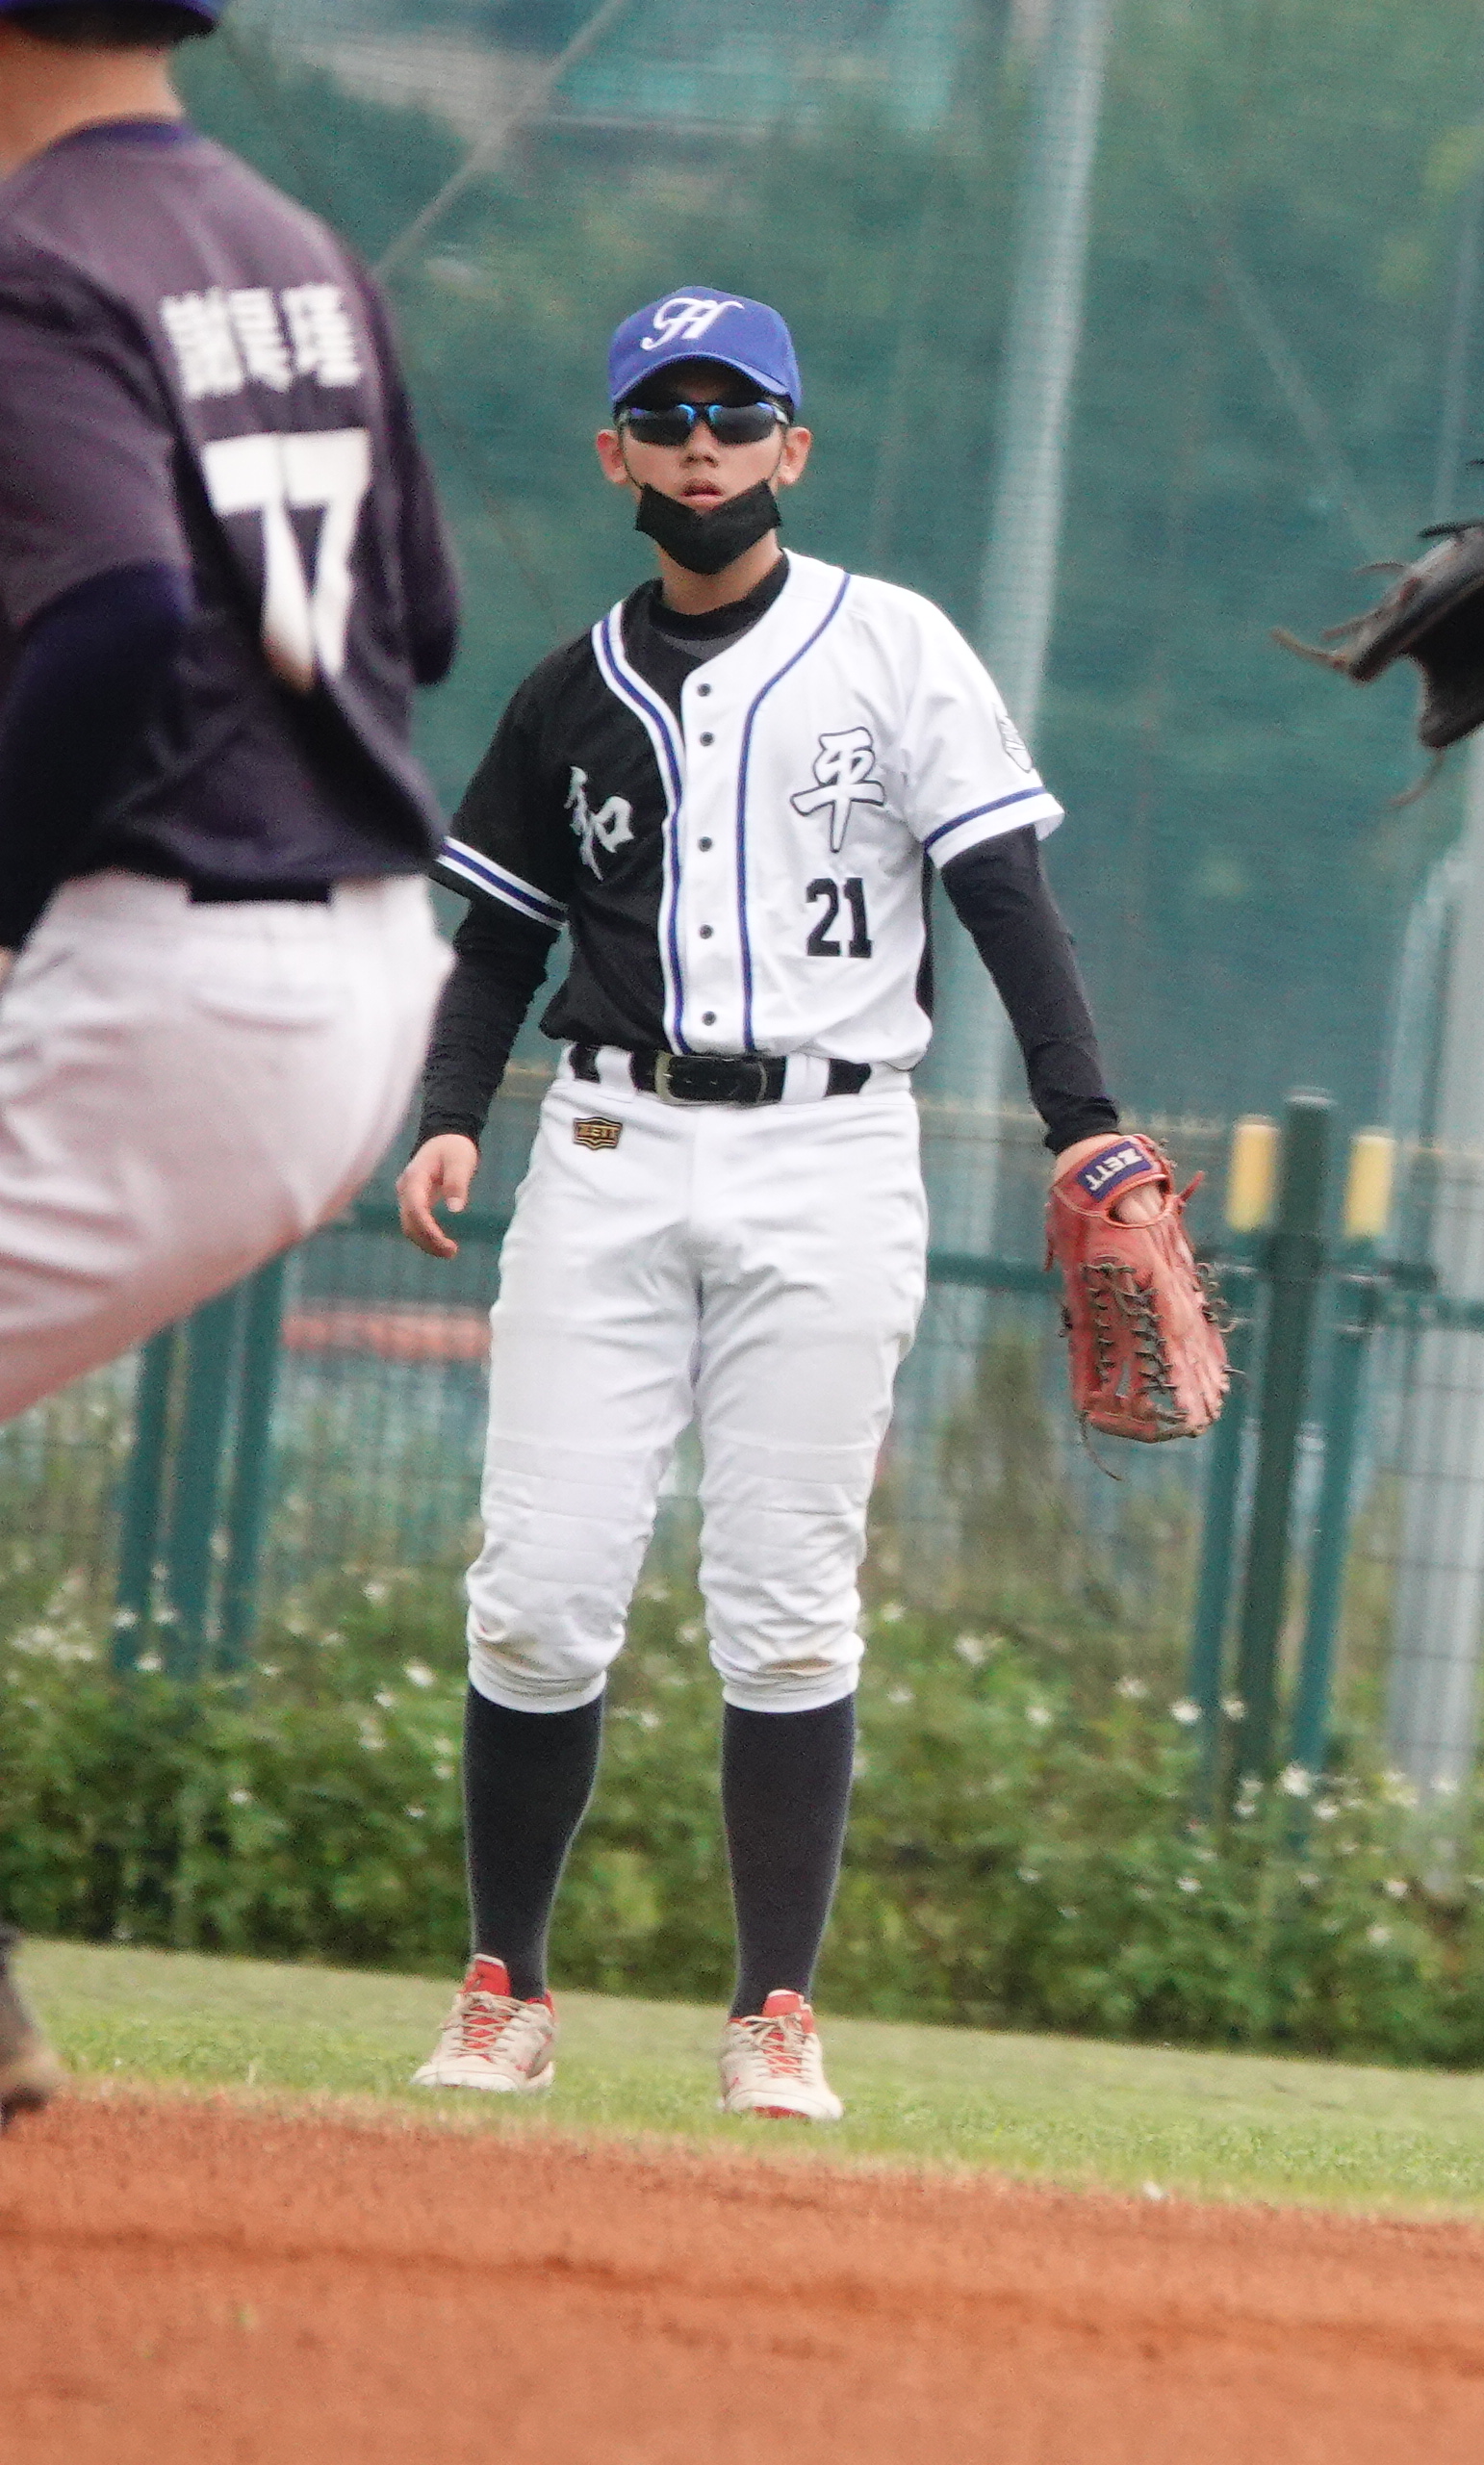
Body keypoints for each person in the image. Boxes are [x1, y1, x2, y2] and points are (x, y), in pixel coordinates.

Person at [393, 287, 1161, 2121]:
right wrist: (447, 1115)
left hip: (831, 1152)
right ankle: (505, 1988)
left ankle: (775, 2015)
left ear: (793, 446)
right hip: (606, 1148)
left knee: (790, 1597)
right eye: (667, 419)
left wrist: (1084, 1121)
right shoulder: (568, 691)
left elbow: (1004, 896)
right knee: (540, 1591)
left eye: (736, 415)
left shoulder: (894, 648)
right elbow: (497, 940)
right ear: (617, 456)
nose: (703, 447)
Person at [0, 0, 465, 2128]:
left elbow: (113, 613)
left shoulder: (38, 257)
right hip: (345, 958)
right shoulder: (295, 248)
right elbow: (418, 618)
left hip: (175, 967)